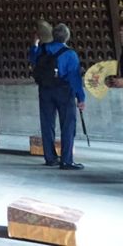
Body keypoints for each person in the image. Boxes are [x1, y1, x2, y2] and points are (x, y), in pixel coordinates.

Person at [28, 23, 86, 169]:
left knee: (47, 124)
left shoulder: (42, 49)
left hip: (45, 90)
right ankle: (66, 160)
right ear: (67, 37)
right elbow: (75, 79)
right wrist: (81, 98)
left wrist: (34, 43)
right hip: (64, 92)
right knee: (67, 125)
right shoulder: (70, 54)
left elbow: (32, 59)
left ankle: (50, 158)